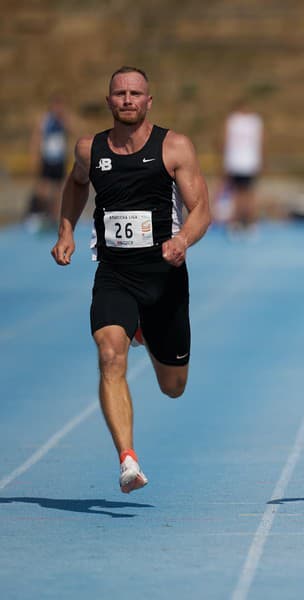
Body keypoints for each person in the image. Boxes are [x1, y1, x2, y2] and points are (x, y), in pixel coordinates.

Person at [50, 66, 211, 494]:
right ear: (109, 101)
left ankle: (145, 329)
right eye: (119, 93)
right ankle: (128, 459)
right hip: (115, 273)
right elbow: (75, 184)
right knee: (109, 355)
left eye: (135, 94)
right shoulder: (89, 149)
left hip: (164, 276)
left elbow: (202, 211)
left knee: (173, 387)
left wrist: (182, 239)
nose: (127, 100)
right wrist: (66, 230)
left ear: (148, 101)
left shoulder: (173, 147)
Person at [26, 94, 71, 232]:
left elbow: (70, 133)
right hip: (47, 159)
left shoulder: (63, 120)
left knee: (58, 190)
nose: (59, 109)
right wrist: (35, 157)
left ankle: (54, 218)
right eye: (56, 106)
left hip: (60, 160)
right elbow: (37, 137)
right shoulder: (45, 120)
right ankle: (39, 213)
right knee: (43, 190)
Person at [221, 99, 264, 234]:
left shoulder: (255, 121)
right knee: (237, 194)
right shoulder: (233, 121)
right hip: (235, 162)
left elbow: (261, 141)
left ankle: (250, 222)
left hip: (249, 162)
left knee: (249, 194)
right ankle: (237, 222)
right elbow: (226, 141)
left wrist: (261, 160)